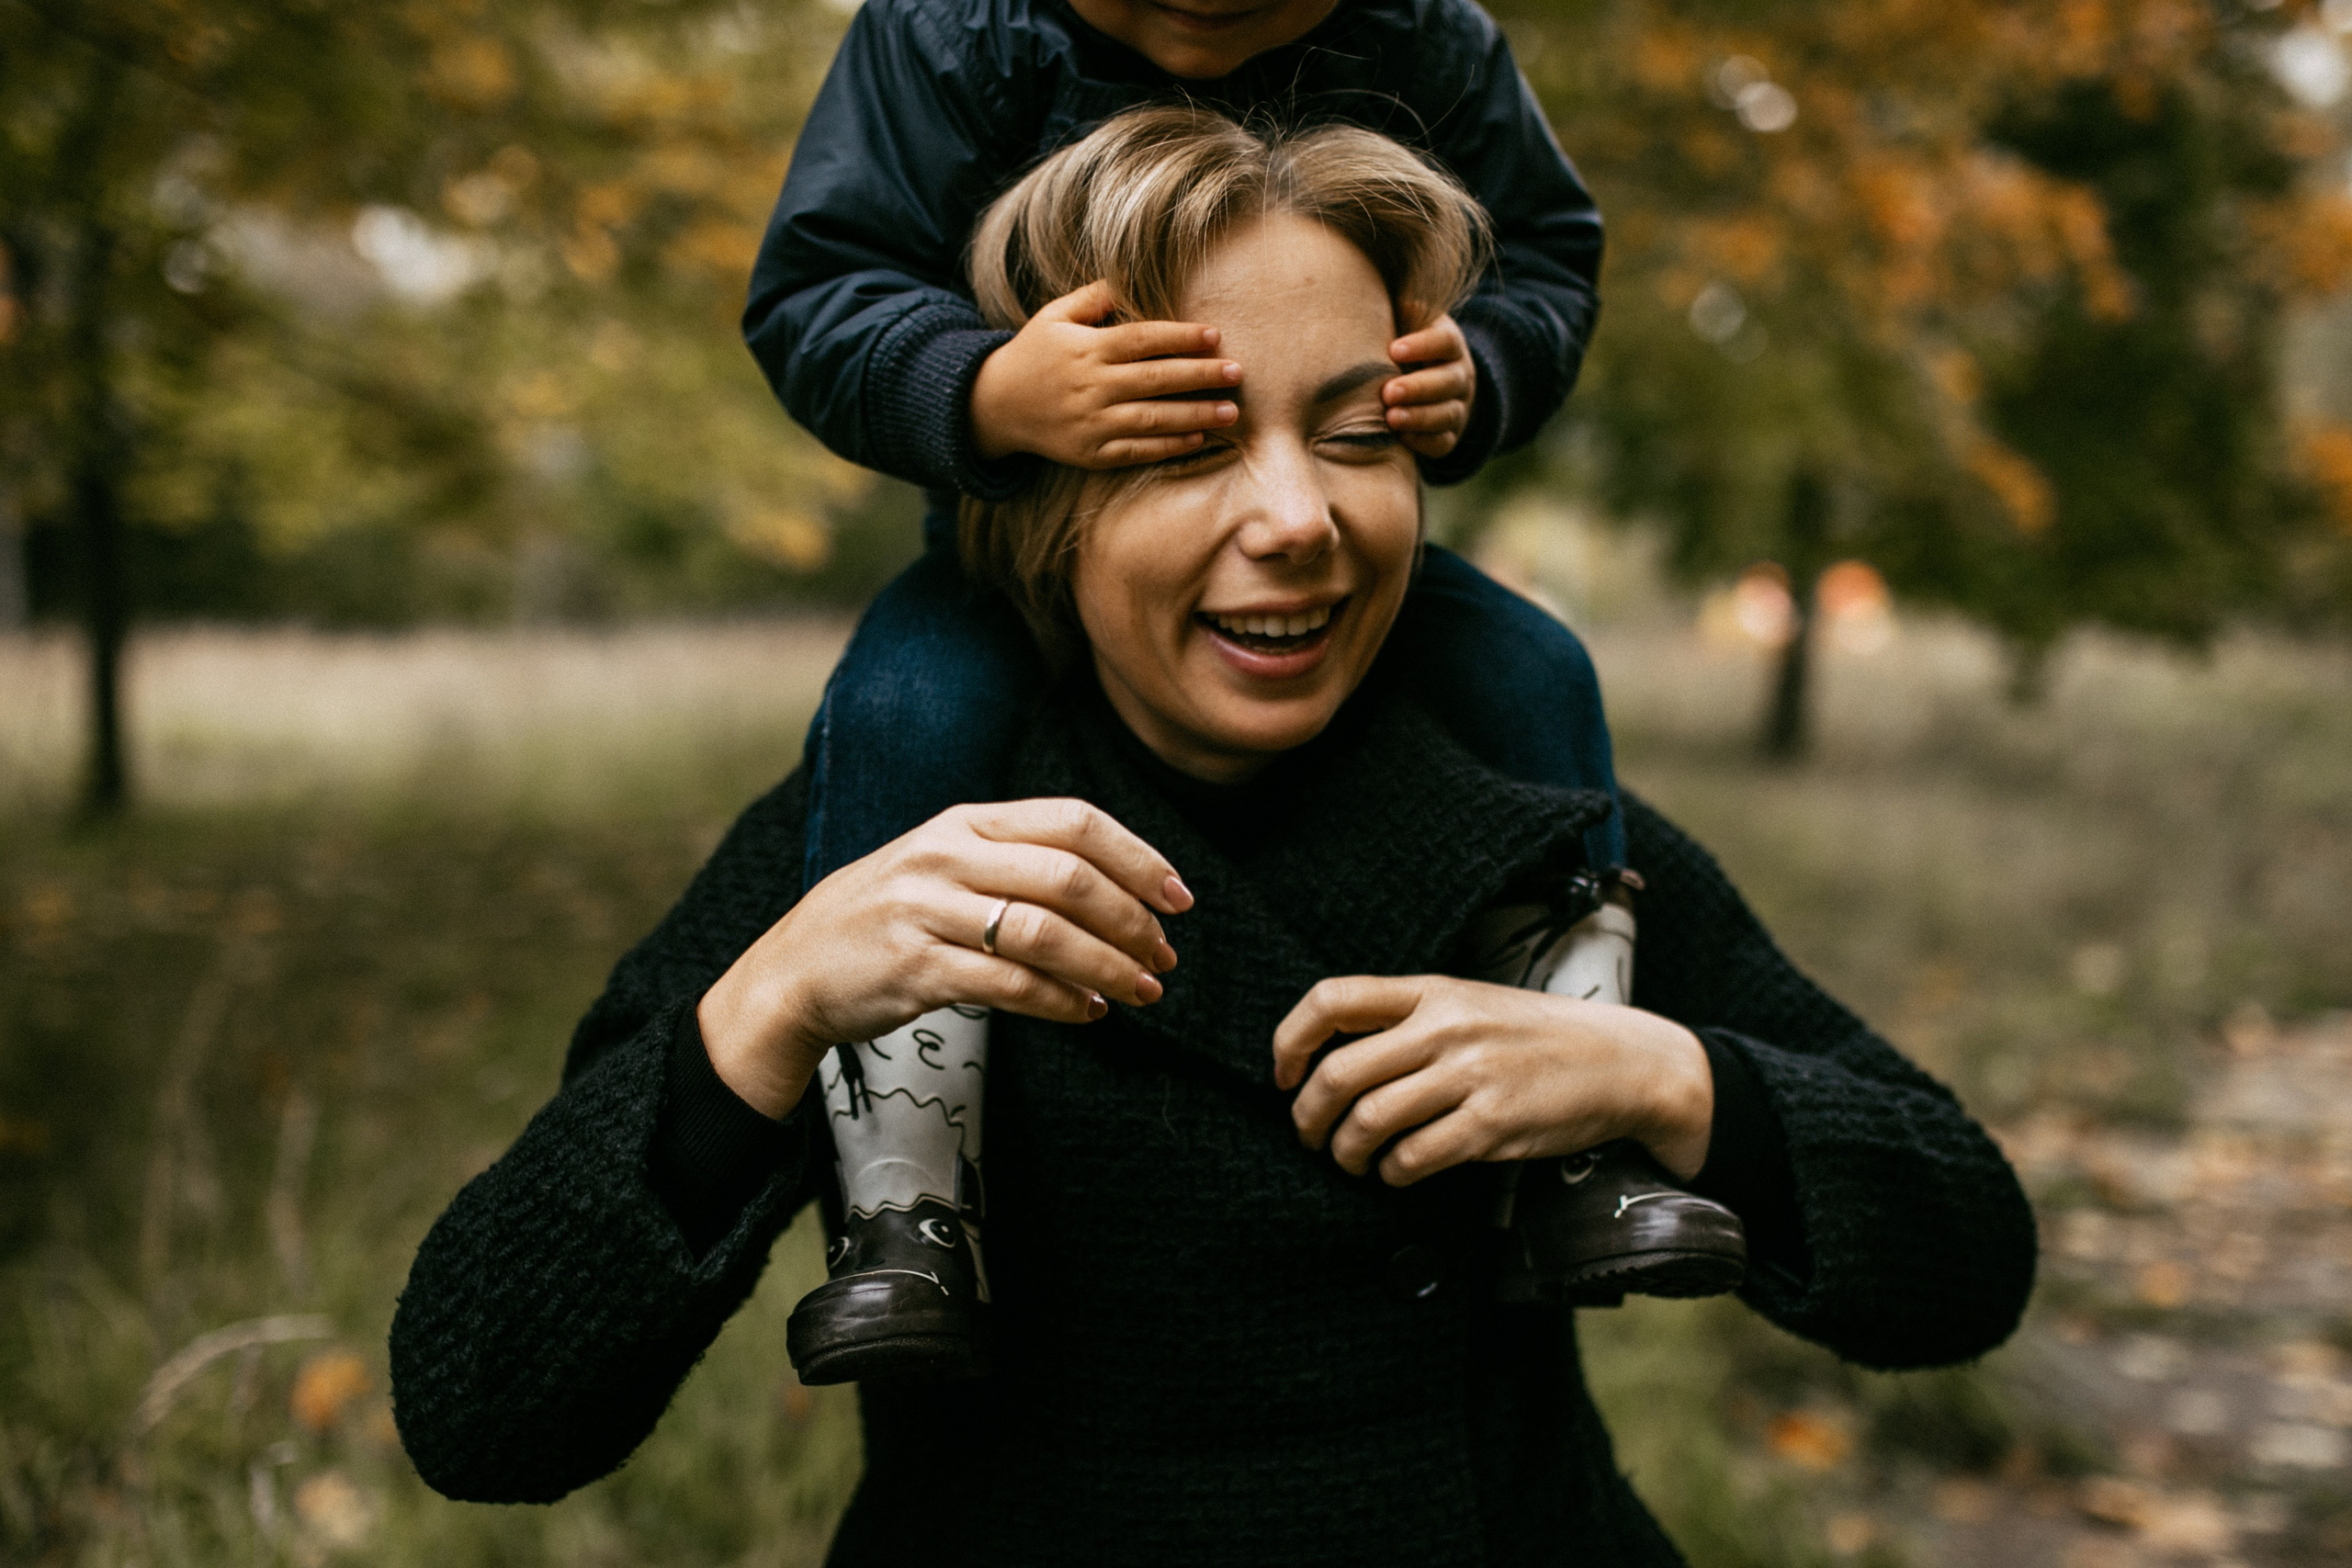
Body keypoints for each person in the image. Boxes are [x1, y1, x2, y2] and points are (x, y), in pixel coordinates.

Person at [391, 107, 2037, 1564]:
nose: (1299, 520)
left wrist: (1668, 1082)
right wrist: (756, 1018)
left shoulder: (1535, 836)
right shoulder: (887, 852)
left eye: (1357, 433)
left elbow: (1969, 1254)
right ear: (1041, 494)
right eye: (1189, 440)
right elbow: (481, 1409)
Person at [746, 0, 1736, 1377]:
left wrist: (1487, 364)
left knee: (1534, 663)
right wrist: (985, 392)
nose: (1200, 18)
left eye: (1259, 1)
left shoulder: (1432, 40)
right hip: (998, 549)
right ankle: (904, 1191)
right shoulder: (947, 34)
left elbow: (1551, 256)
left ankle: (1581, 1138)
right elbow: (813, 291)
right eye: (1191, 454)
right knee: (909, 714)